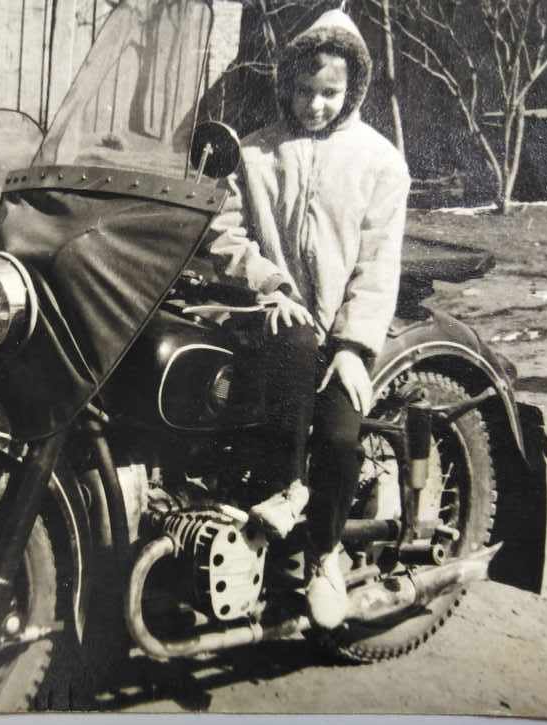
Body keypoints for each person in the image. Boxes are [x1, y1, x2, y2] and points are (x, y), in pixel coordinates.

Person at [204, 8, 411, 628]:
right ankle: (284, 489)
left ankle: (324, 556)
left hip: (342, 330)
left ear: (353, 93)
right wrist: (268, 282)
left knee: (342, 434)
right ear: (285, 84)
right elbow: (223, 230)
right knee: (286, 344)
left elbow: (377, 265)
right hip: (273, 315)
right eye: (304, 90)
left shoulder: (380, 163)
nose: (315, 104)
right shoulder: (256, 153)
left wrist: (352, 345)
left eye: (331, 93)